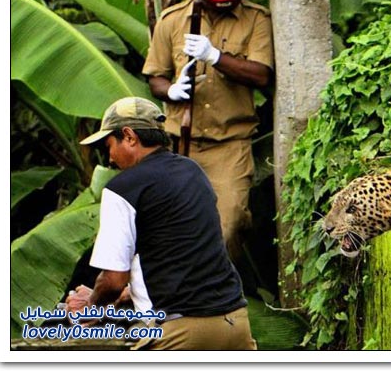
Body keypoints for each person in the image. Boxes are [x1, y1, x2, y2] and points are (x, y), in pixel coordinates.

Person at [66, 96, 257, 350]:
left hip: (180, 333)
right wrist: (122, 296)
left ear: (130, 137)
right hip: (235, 324)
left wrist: (91, 308)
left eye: (109, 145)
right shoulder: (193, 172)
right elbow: (178, 262)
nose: (110, 158)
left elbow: (113, 279)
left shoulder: (122, 189)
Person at [142, 0, 274, 263]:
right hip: (178, 145)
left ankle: (216, 298)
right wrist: (171, 91)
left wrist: (216, 57)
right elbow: (154, 76)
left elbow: (261, 74)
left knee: (228, 225)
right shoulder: (172, 21)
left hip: (230, 146)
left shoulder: (256, 20)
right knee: (171, 230)